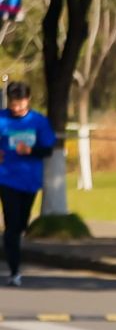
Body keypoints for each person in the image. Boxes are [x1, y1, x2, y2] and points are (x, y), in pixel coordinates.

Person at [0, 82, 54, 286]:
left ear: (28, 100)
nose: (16, 107)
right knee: (12, 225)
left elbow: (48, 150)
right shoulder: (2, 119)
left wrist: (31, 151)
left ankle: (15, 244)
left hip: (30, 180)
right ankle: (15, 272)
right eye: (13, 103)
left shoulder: (38, 121)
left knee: (21, 224)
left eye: (20, 103)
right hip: (6, 178)